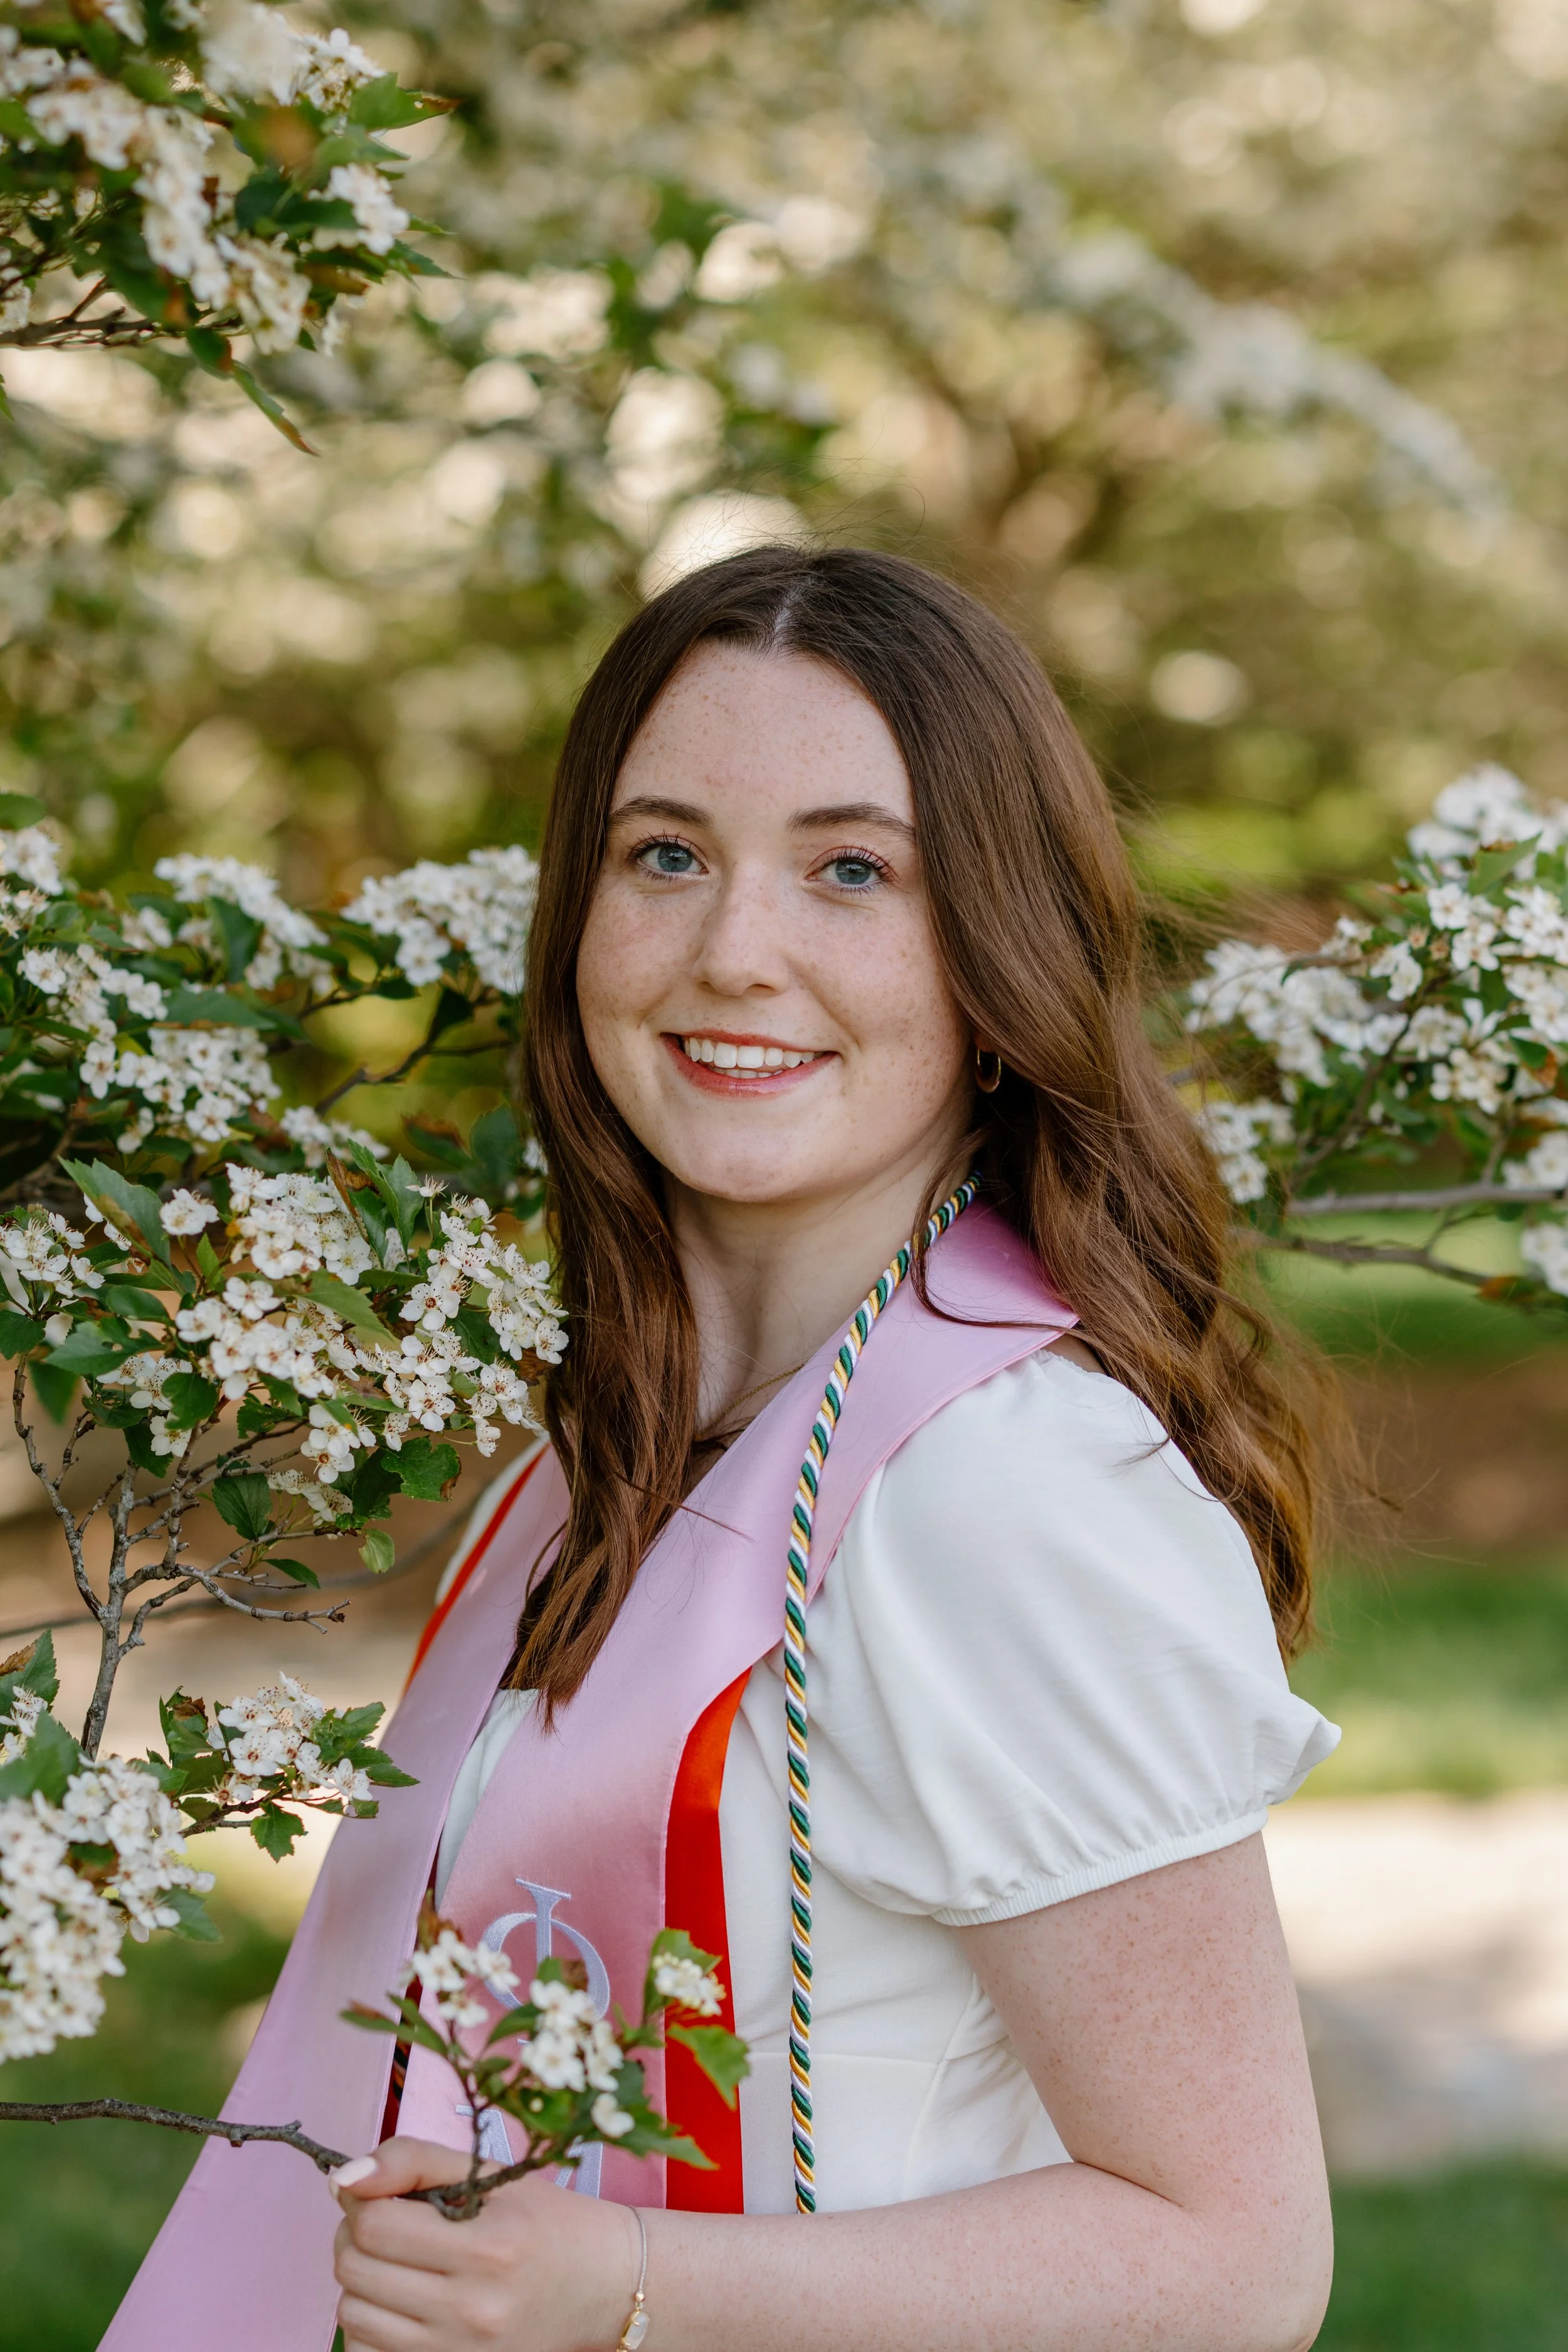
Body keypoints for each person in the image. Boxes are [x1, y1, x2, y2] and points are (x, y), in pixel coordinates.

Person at [108, 546, 1338, 2352]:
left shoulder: (1002, 1486)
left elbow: (1233, 2258)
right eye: (664, 852)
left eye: (852, 869)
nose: (729, 952)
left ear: (995, 946)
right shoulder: (608, 1445)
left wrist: (627, 2287)